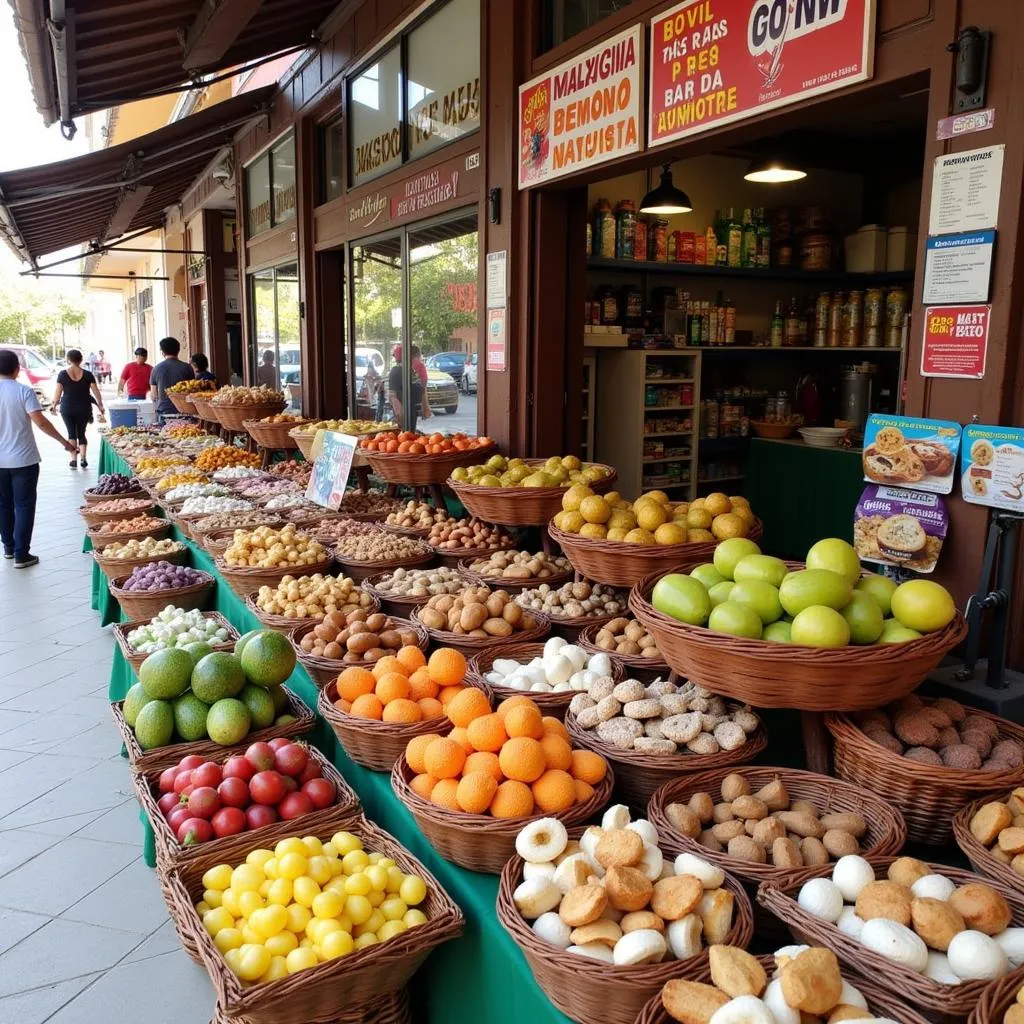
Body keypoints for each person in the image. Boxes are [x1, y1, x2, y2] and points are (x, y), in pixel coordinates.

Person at [0, 348, 78, 567]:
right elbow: (41, 422)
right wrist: (64, 442)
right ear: (17, 370)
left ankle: (8, 547)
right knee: (24, 505)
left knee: (3, 505)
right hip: (23, 460)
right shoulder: (23, 391)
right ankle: (21, 554)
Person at [51, 350, 105, 469]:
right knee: (81, 433)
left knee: (71, 433)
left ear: (68, 360)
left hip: (67, 407)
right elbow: (95, 391)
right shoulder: (87, 374)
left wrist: (54, 405)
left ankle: (74, 459)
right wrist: (100, 405)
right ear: (80, 360)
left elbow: (58, 391)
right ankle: (83, 458)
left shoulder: (62, 374)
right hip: (84, 406)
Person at [149, 337, 194, 424]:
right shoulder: (187, 367)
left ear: (162, 352)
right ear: (178, 350)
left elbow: (154, 395)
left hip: (164, 411)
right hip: (184, 411)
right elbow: (192, 390)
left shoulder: (156, 369)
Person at [387, 346, 424, 433]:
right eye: (416, 356)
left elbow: (417, 385)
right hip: (404, 411)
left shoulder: (409, 370)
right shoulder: (397, 371)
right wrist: (400, 416)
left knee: (411, 433)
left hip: (411, 409)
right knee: (406, 435)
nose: (418, 358)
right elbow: (393, 396)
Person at [411, 344, 431, 422]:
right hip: (417, 396)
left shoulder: (406, 363)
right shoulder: (420, 364)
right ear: (417, 354)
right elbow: (424, 380)